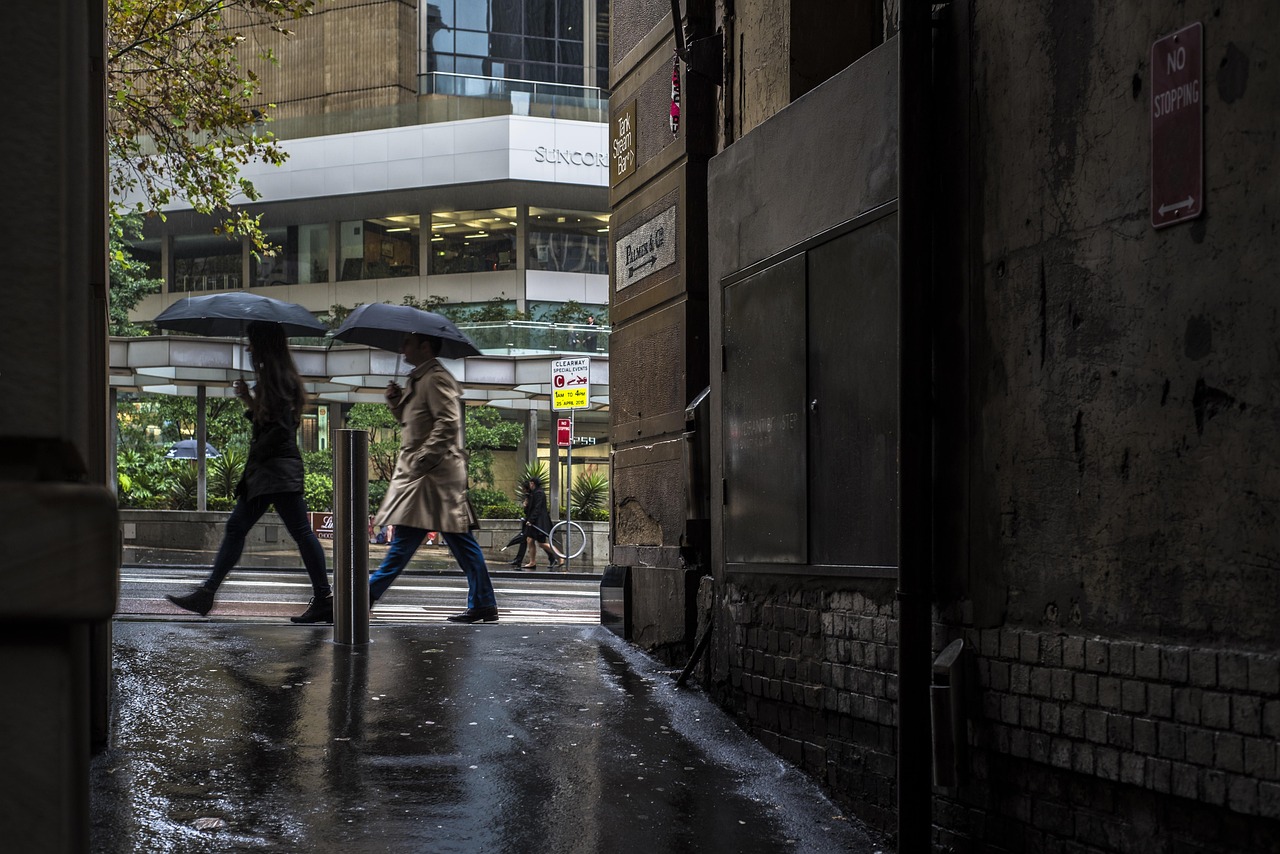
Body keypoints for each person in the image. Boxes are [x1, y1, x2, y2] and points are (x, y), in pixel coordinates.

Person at [166, 321, 333, 623]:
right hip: (274, 471)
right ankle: (208, 593)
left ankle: (323, 597)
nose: (248, 348)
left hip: (273, 472)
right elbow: (269, 420)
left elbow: (276, 428)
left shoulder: (275, 378)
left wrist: (254, 460)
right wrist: (247, 398)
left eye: (252, 342)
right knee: (249, 528)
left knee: (287, 531)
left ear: (263, 344)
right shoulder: (278, 376)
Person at [367, 333, 500, 622]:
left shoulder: (436, 378)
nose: (402, 347)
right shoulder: (419, 379)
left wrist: (422, 458)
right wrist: (395, 402)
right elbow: (414, 421)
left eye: (408, 343)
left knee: (410, 542)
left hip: (432, 476)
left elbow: (448, 422)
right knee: (452, 542)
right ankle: (483, 603)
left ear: (425, 346)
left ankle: (363, 597)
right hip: (428, 475)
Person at [521, 478, 561, 570]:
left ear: (532, 483)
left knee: (541, 543)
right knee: (530, 540)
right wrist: (526, 506)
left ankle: (559, 556)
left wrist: (531, 520)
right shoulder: (533, 494)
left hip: (539, 522)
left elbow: (537, 508)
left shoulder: (539, 493)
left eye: (530, 483)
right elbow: (530, 509)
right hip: (535, 521)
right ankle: (532, 562)